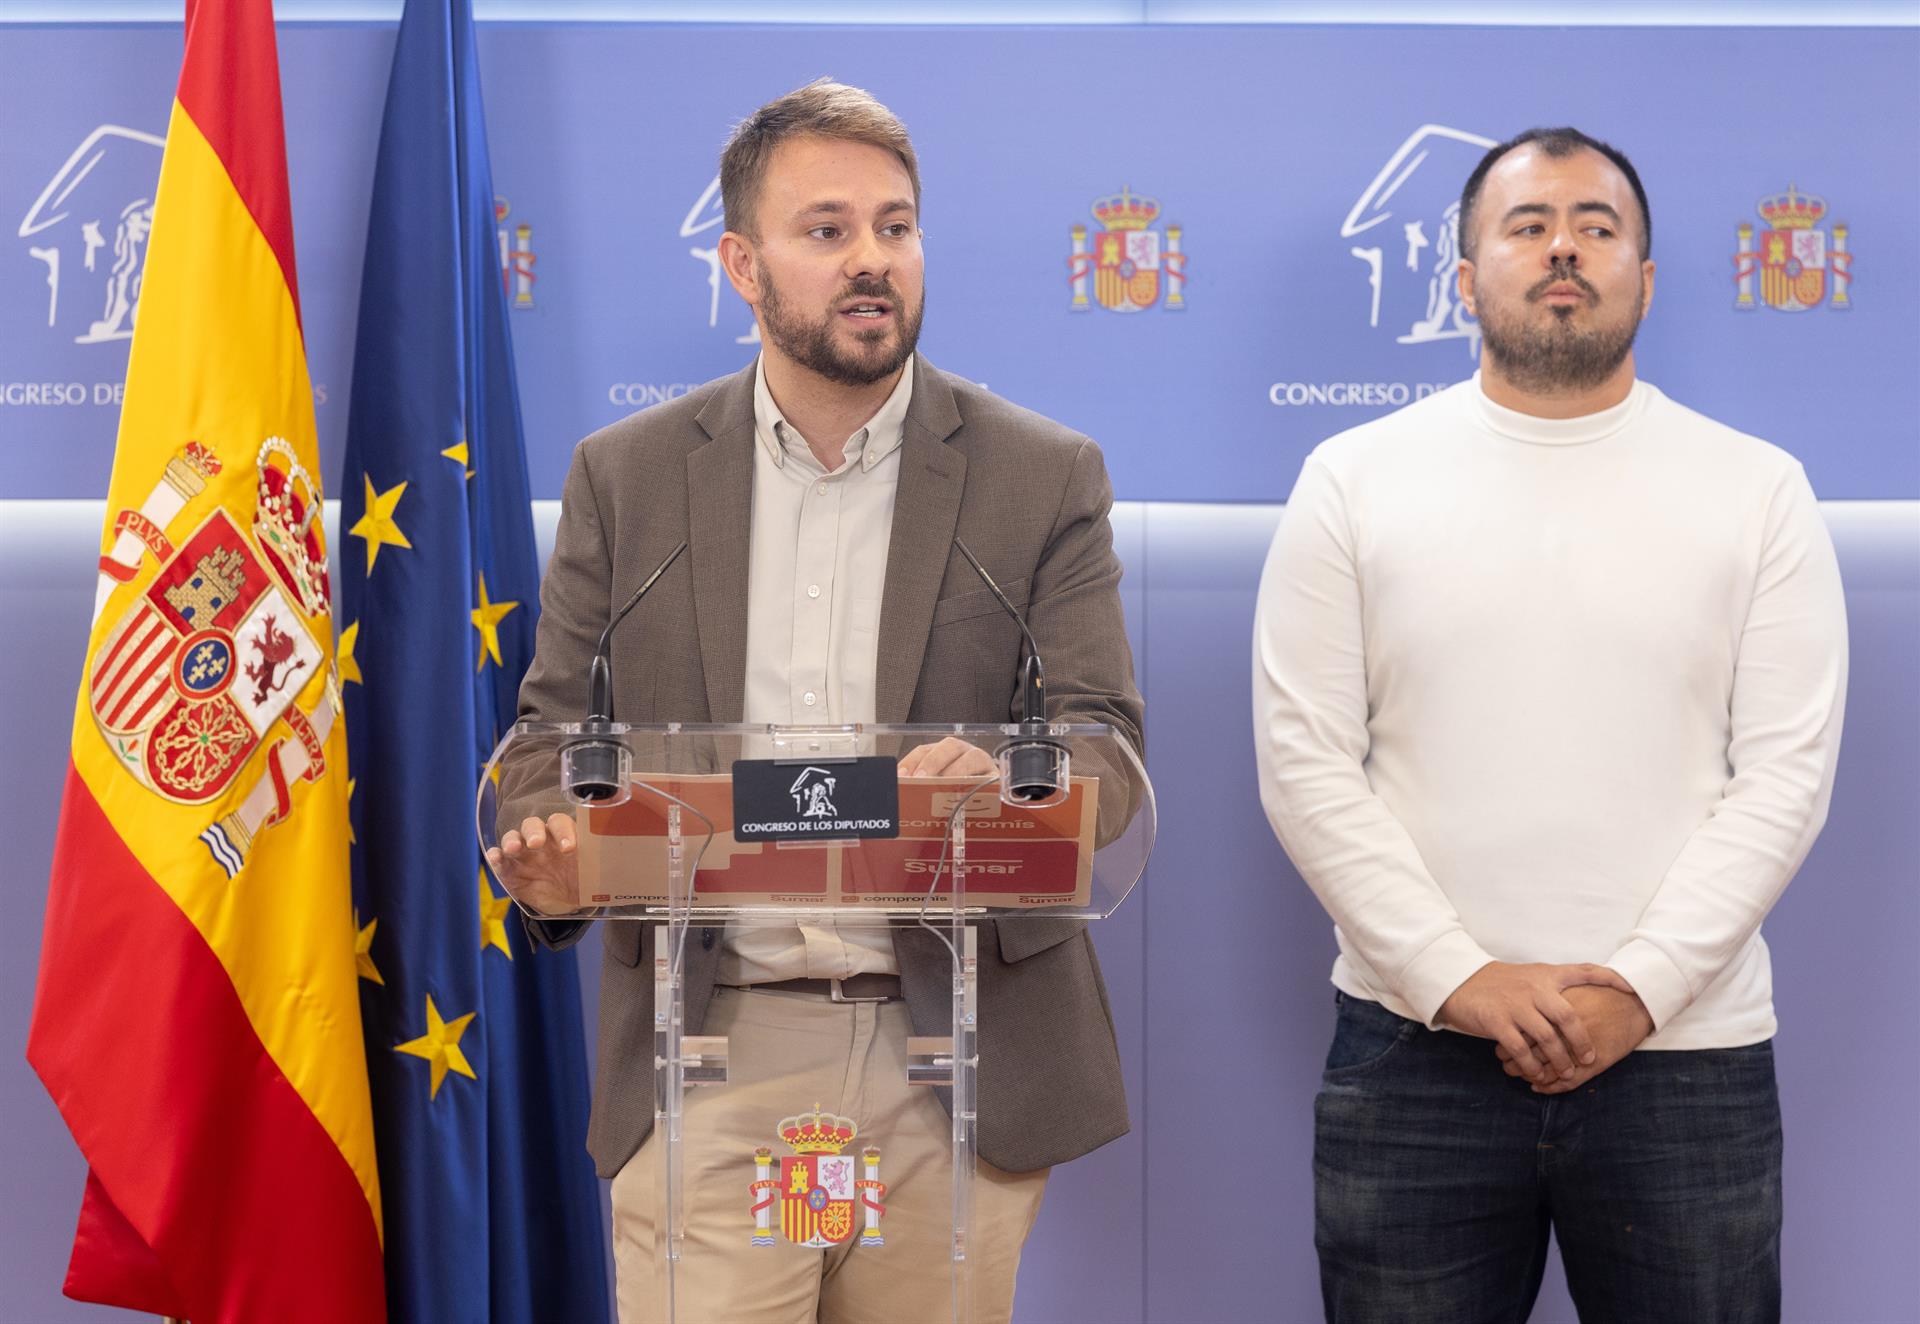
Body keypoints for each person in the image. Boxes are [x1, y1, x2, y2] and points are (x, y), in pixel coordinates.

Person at [495, 79, 1142, 1324]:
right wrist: (553, 851)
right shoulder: (627, 478)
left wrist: (1017, 782)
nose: (871, 261)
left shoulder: (1041, 475)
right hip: (711, 1047)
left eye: (895, 228)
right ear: (742, 264)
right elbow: (546, 746)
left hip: (953, 1054)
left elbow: (1103, 746)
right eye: (827, 229)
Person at [1252, 126, 1847, 1323]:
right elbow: (1304, 762)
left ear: (1647, 278)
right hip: (1416, 1052)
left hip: (1686, 1057)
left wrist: (1642, 985)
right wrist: (1457, 976)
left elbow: (1786, 777)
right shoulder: (1352, 478)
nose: (1563, 247)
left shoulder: (1759, 488)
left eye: (1596, 226)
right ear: (1466, 277)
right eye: (1527, 226)